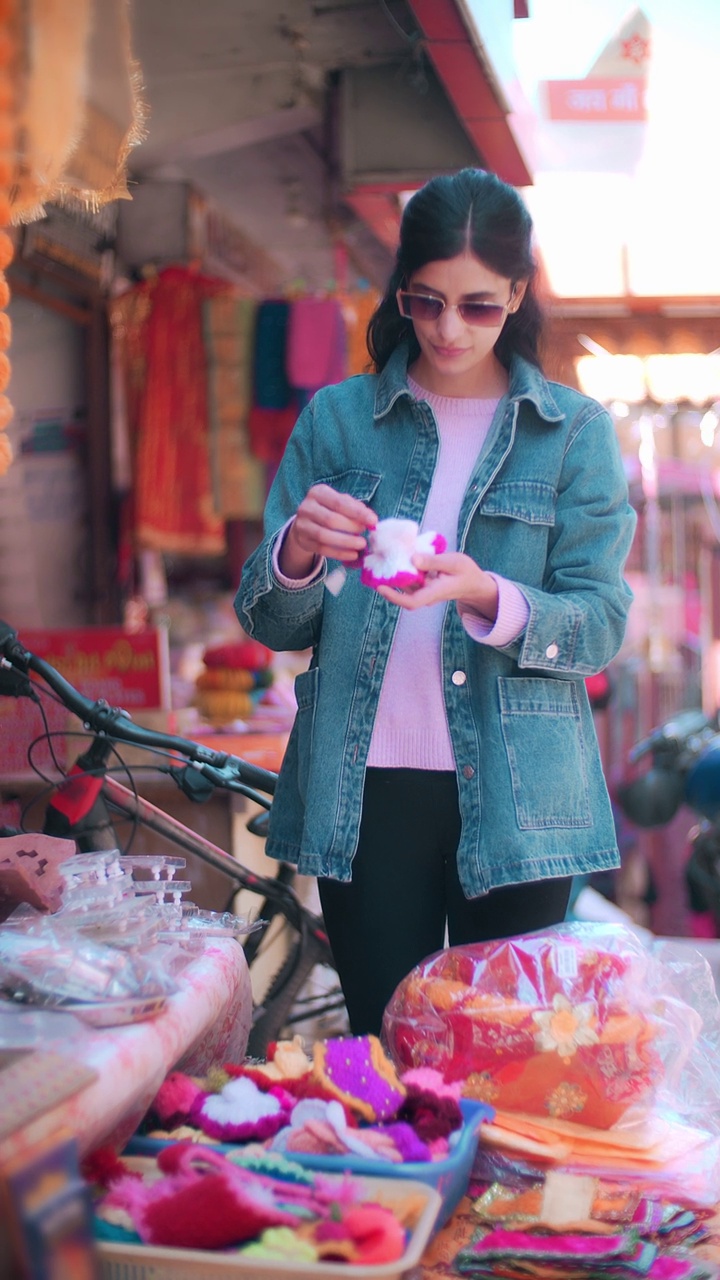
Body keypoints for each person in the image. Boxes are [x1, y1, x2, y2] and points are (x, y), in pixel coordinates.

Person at [236, 167, 636, 1036]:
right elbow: (269, 620)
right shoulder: (337, 421)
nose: (450, 329)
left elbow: (600, 624)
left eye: (479, 305)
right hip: (363, 787)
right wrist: (299, 553)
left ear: (519, 294)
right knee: (387, 1054)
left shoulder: (572, 432)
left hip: (521, 791)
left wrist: (487, 593)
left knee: (507, 1057)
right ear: (401, 294)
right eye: (426, 302)